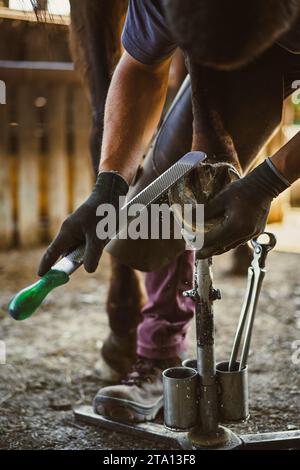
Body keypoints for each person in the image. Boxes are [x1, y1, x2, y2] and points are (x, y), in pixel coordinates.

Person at [39, 0, 300, 422]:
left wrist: (271, 179)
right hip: (216, 55)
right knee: (177, 179)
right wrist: (108, 185)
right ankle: (161, 353)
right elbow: (140, 67)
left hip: (282, 42)